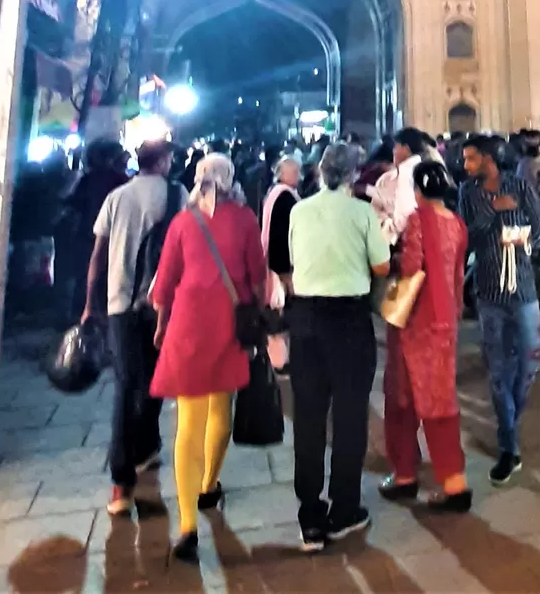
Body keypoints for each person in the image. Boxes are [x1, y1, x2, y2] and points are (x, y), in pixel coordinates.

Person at [149, 154, 265, 563]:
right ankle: (208, 485)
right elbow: (257, 277)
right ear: (229, 178)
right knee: (221, 409)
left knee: (188, 423)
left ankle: (186, 526)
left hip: (188, 327)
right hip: (228, 327)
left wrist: (162, 324)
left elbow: (164, 283)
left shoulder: (183, 222)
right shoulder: (245, 219)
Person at [286, 141, 390, 552]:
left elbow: (297, 259)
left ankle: (310, 515)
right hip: (348, 320)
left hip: (306, 320)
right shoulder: (362, 212)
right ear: (352, 174)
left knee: (309, 418)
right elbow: (381, 265)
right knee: (349, 418)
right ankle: (344, 507)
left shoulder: (299, 210)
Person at [82, 137, 186, 517]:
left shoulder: (116, 198)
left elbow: (98, 256)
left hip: (119, 305)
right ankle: (146, 445)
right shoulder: (177, 195)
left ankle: (121, 484)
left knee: (126, 386)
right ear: (161, 162)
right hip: (162, 305)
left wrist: (89, 304)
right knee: (158, 377)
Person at [380, 160, 471, 511]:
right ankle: (453, 478)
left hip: (417, 322)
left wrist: (394, 254)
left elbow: (411, 268)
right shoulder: (457, 224)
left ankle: (406, 475)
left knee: (402, 397)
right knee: (441, 401)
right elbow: (458, 275)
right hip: (445, 320)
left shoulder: (419, 221)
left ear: (417, 190)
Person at [459, 134, 540, 486]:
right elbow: (468, 235)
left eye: (471, 159)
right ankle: (508, 445)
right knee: (497, 372)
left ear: (490, 159)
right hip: (490, 293)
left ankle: (512, 413)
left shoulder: (520, 187)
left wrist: (519, 231)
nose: (466, 165)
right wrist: (495, 213)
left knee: (527, 365)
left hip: (523, 289)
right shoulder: (468, 193)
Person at [61, 140, 129, 322]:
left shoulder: (88, 179)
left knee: (84, 278)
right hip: (111, 239)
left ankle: (80, 317)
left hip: (87, 236)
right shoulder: (121, 181)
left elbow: (73, 205)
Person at [370, 127, 426, 242]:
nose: (393, 151)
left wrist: (389, 225)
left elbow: (401, 219)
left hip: (398, 241)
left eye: (396, 146)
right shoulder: (429, 173)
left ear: (406, 148)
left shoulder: (402, 174)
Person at [261, 155, 301, 291]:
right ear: (283, 174)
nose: (299, 177)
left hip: (274, 257)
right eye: (295, 172)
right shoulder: (285, 196)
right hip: (283, 259)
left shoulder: (274, 191)